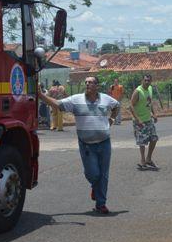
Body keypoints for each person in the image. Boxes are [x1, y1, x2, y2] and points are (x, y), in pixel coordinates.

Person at [39, 76, 119, 214]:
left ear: (97, 86)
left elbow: (117, 106)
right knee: (93, 173)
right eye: (86, 82)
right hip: (87, 145)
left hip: (105, 143)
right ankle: (95, 185)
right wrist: (40, 95)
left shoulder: (106, 99)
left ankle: (101, 204)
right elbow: (57, 104)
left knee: (104, 174)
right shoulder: (76, 100)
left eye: (91, 82)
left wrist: (111, 118)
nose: (87, 84)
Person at [129, 74, 160, 170]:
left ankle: (148, 159)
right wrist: (138, 120)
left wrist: (154, 114)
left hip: (148, 119)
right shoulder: (138, 91)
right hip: (139, 121)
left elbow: (149, 103)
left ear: (151, 81)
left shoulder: (150, 89)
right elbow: (131, 106)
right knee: (142, 142)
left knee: (154, 138)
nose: (147, 82)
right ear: (142, 80)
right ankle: (142, 161)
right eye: (145, 80)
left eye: (148, 81)